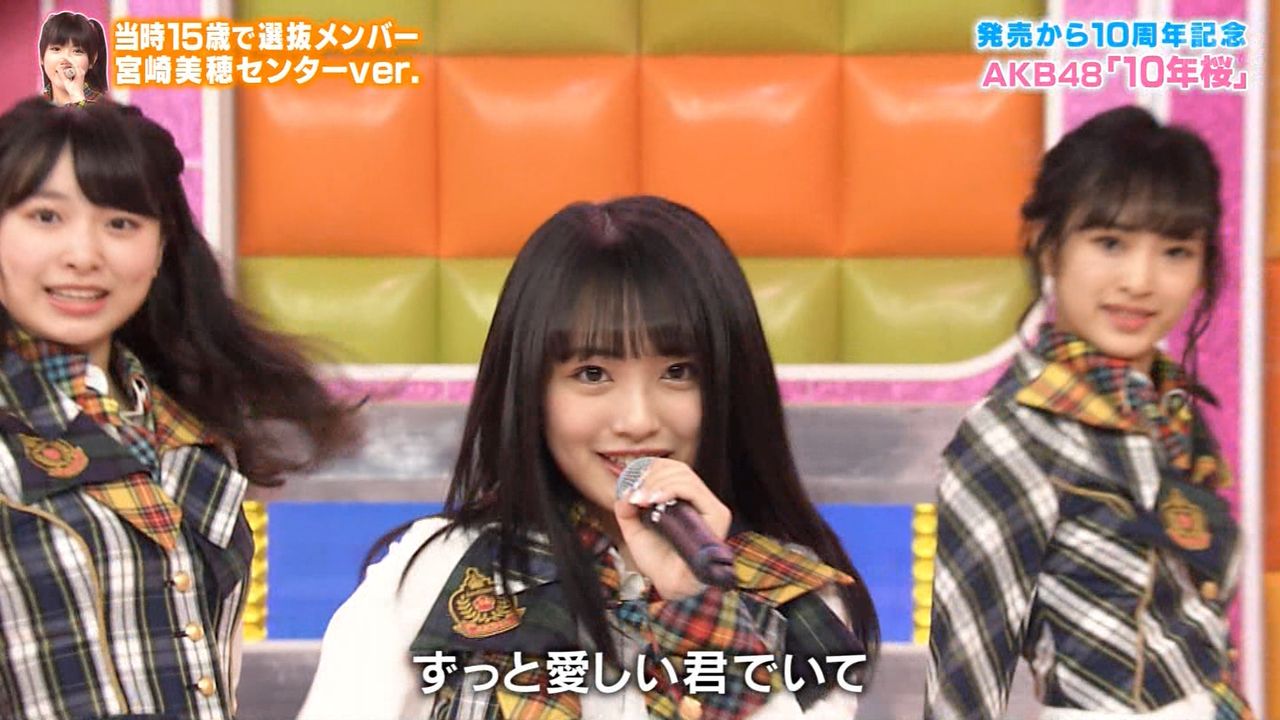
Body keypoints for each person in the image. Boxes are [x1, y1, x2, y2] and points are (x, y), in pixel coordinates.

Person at [300, 196, 878, 719]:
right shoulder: (435, 572)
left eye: (678, 372)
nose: (637, 419)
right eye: (593, 373)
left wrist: (696, 603)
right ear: (531, 390)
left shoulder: (791, 601)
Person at [0, 97, 360, 719]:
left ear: (162, 245)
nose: (83, 254)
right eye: (47, 217)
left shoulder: (190, 431)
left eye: (121, 224)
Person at [924, 105, 1252, 720]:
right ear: (1047, 245)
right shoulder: (1013, 435)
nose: (1140, 281)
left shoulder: (1170, 411)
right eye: (1110, 243)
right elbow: (965, 679)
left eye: (1175, 251)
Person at [38, 11, 109, 107]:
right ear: (41, 57)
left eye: (77, 51)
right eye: (56, 49)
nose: (65, 59)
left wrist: (77, 98)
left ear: (92, 59)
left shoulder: (106, 110)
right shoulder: (33, 110)